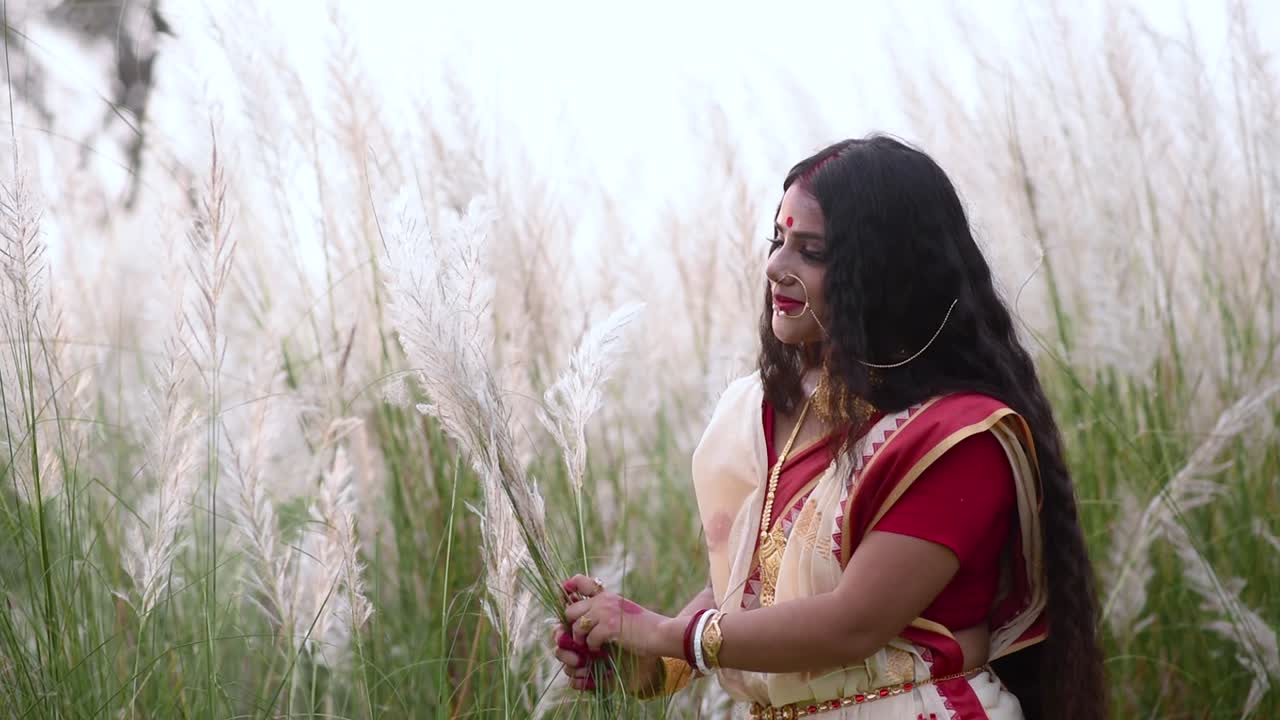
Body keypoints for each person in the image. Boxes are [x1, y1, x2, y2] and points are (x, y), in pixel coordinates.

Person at [552, 136, 1106, 719]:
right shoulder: (762, 412)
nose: (775, 267)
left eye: (810, 251)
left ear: (886, 272)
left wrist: (668, 635)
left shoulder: (958, 439)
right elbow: (756, 592)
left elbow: (853, 622)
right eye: (778, 241)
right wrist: (643, 660)